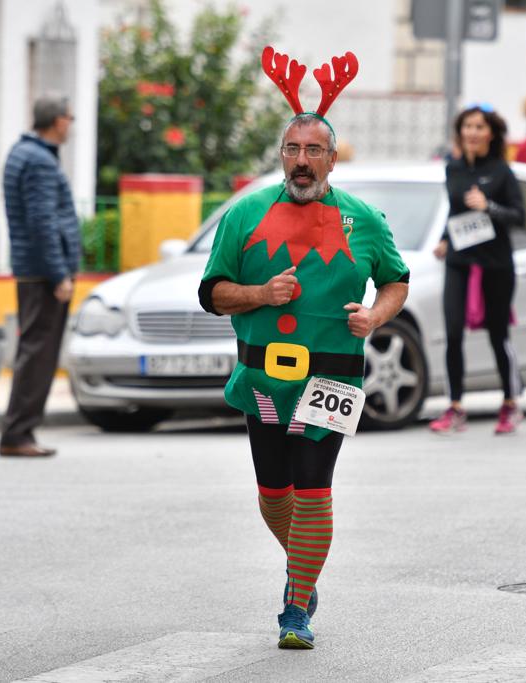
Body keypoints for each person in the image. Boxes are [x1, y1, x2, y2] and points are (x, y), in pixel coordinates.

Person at [199, 46, 409, 650]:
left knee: (314, 487)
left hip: (333, 376)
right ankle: (305, 571)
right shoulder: (244, 215)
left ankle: (295, 607)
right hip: (262, 376)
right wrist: (261, 294)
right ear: (281, 156)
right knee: (273, 494)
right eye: (292, 149)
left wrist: (374, 315)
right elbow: (212, 294)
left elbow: (397, 279)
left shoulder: (364, 219)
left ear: (332, 159)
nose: (301, 160)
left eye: (313, 149)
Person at [430, 105, 526, 435]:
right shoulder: (453, 169)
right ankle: (455, 407)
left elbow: (519, 216)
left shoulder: (502, 172)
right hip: (459, 262)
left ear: (490, 134)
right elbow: (457, 211)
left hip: (496, 265)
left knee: (498, 334)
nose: (471, 132)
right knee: (453, 332)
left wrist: (490, 207)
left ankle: (511, 403)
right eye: (466, 126)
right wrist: (445, 239)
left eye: (478, 127)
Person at [0, 95, 80, 458]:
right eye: (68, 117)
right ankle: (18, 434)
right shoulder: (39, 161)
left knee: (34, 351)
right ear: (56, 121)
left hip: (32, 270)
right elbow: (42, 222)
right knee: (38, 354)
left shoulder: (23, 153)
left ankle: (19, 432)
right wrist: (59, 273)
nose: (71, 123)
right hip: (43, 274)